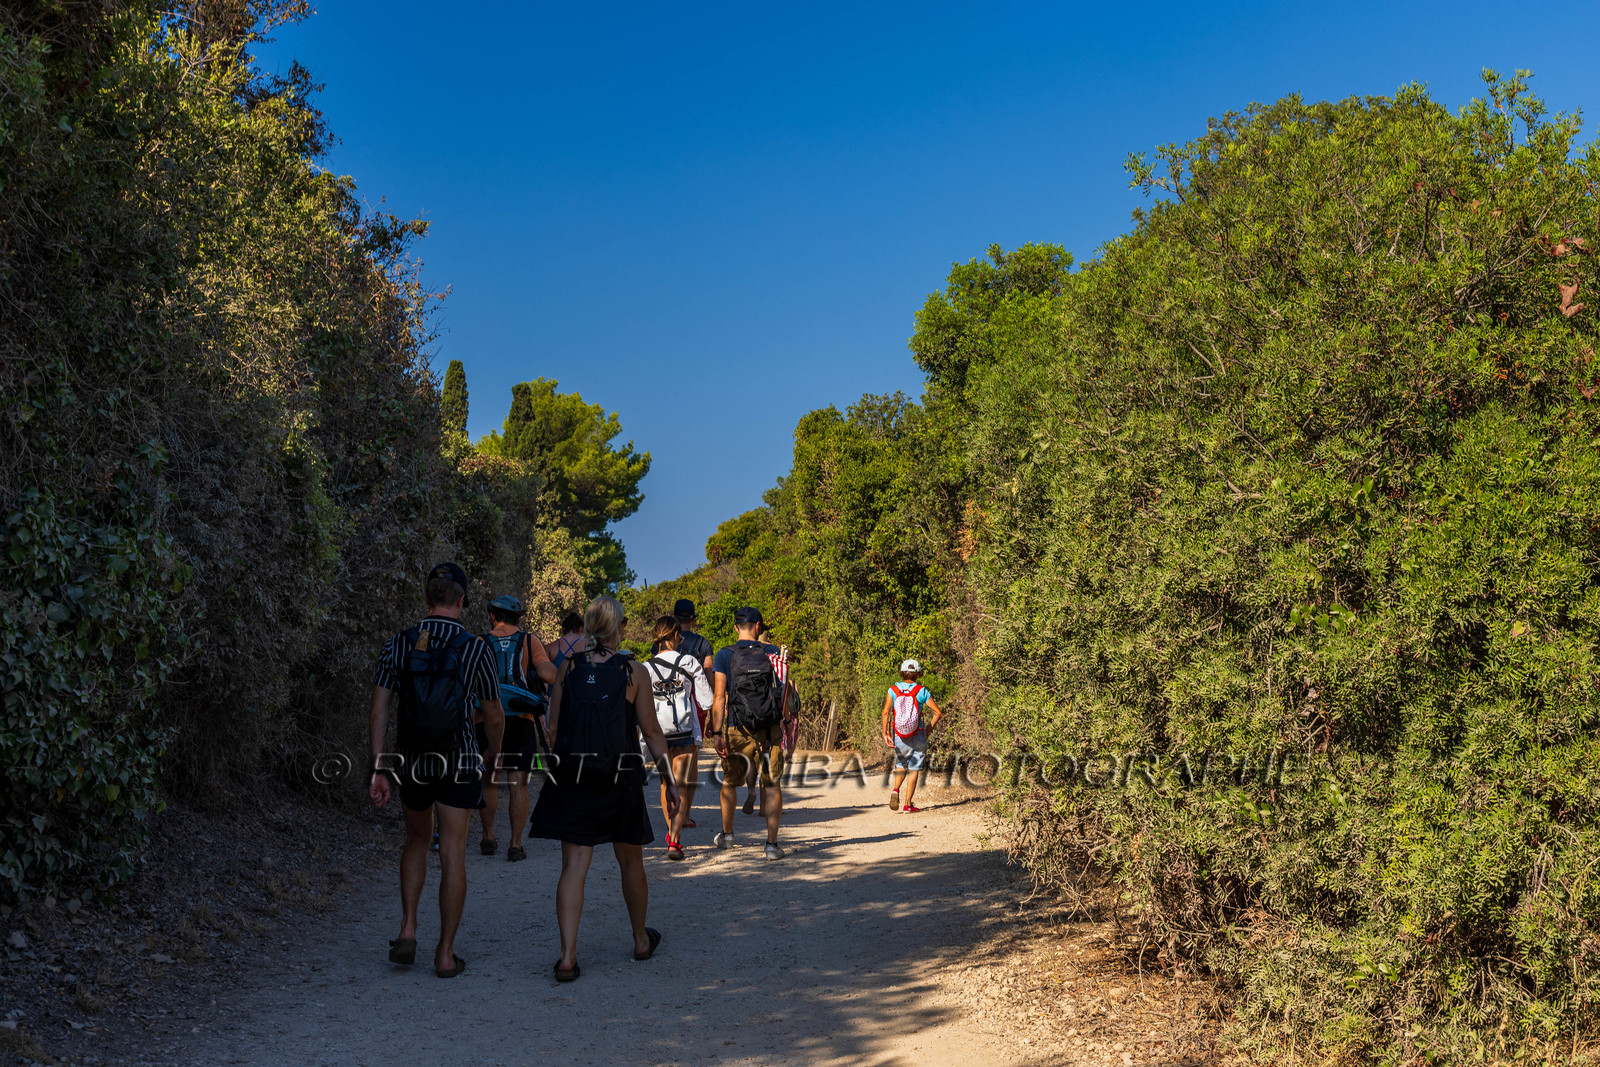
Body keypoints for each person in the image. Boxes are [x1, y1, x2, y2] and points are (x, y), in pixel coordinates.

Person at [528, 596, 680, 981]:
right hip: (619, 777)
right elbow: (652, 731)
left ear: (590, 627)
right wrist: (669, 778)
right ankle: (640, 940)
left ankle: (566, 956)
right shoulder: (634, 672)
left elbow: (554, 727)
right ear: (619, 628)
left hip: (575, 774)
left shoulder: (568, 668)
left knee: (574, 866)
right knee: (630, 861)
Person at [368, 561, 503, 979]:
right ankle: (445, 954)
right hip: (460, 758)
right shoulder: (476, 647)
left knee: (415, 840)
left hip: (412, 760)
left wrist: (379, 767)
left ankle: (408, 927)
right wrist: (492, 756)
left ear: (426, 599)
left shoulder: (400, 642)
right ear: (462, 601)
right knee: (453, 853)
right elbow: (494, 713)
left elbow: (379, 709)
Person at [477, 594, 557, 861]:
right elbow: (548, 674)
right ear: (519, 618)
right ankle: (515, 844)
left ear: (492, 616)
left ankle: (488, 836)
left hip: (485, 718)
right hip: (520, 719)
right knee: (518, 782)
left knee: (489, 778)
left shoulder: (480, 642)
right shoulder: (529, 640)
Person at [710, 607, 793, 860]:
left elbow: (719, 698)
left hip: (737, 727)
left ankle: (727, 836)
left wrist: (716, 732)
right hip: (769, 729)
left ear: (736, 628)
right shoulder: (773, 652)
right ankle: (771, 845)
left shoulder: (724, 655)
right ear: (758, 627)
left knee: (729, 781)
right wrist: (786, 720)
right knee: (772, 783)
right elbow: (784, 690)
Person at [644, 616, 714, 860]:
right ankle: (674, 840)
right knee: (681, 783)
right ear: (675, 636)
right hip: (684, 730)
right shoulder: (689, 661)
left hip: (657, 732)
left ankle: (671, 835)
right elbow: (706, 700)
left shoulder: (645, 667)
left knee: (666, 783)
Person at [881, 658, 943, 814]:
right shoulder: (921, 691)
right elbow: (938, 712)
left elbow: (886, 712)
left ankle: (896, 789)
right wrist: (928, 729)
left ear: (902, 673)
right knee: (914, 768)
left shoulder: (893, 690)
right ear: (917, 674)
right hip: (918, 733)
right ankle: (908, 804)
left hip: (898, 734)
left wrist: (885, 733)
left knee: (901, 765)